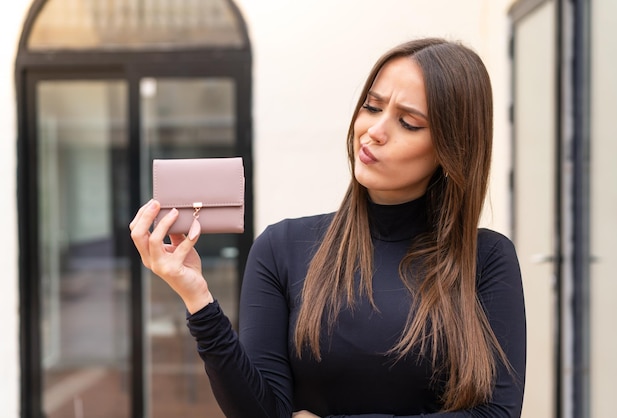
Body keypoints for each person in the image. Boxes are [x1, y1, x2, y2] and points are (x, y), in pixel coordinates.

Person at [130, 38, 526, 417]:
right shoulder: (282, 248)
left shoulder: (487, 260)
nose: (374, 131)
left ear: (452, 148)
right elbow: (261, 411)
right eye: (372, 107)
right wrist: (197, 296)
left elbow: (496, 412)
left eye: (407, 122)